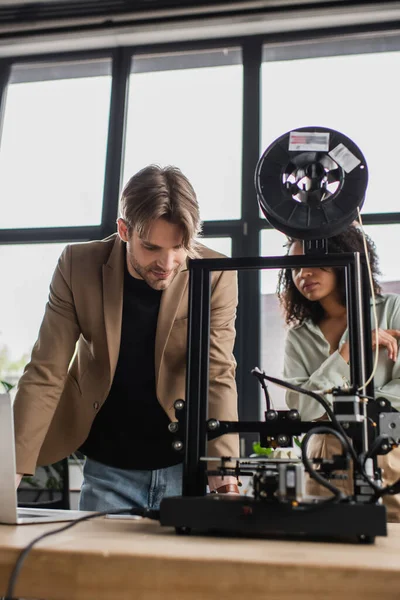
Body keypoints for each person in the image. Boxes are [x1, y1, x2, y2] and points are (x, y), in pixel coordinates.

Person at [13, 165, 240, 511]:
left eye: (179, 247)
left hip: (186, 467)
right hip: (109, 468)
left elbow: (218, 373)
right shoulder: (78, 265)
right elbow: (47, 371)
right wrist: (10, 472)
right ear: (124, 230)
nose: (167, 263)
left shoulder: (215, 273)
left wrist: (225, 475)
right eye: (151, 247)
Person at [278, 224, 400, 521]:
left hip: (390, 452)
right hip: (324, 461)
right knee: (327, 549)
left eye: (311, 263)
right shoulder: (298, 337)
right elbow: (302, 409)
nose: (303, 274)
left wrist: (340, 406)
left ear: (341, 259)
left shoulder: (391, 309)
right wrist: (350, 350)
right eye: (295, 267)